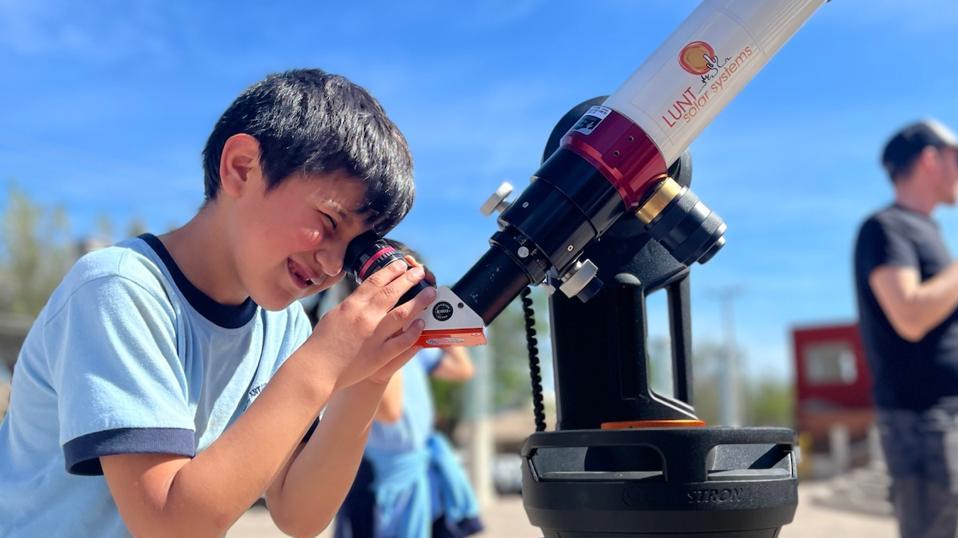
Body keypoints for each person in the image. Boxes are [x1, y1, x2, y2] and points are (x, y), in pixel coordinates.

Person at [0, 68, 436, 538]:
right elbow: (170, 523)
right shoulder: (119, 287)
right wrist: (322, 364)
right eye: (329, 222)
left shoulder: (283, 324)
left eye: (353, 251)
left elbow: (299, 512)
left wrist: (370, 377)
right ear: (242, 167)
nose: (333, 265)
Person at [329, 242, 483, 538]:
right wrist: (385, 328)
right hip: (384, 477)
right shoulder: (358, 349)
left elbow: (463, 370)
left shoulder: (413, 344)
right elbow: (390, 411)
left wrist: (443, 312)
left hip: (421, 470)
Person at [854, 119, 958, 538]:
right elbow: (911, 317)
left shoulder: (929, 232)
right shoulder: (885, 228)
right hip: (923, 421)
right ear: (931, 158)